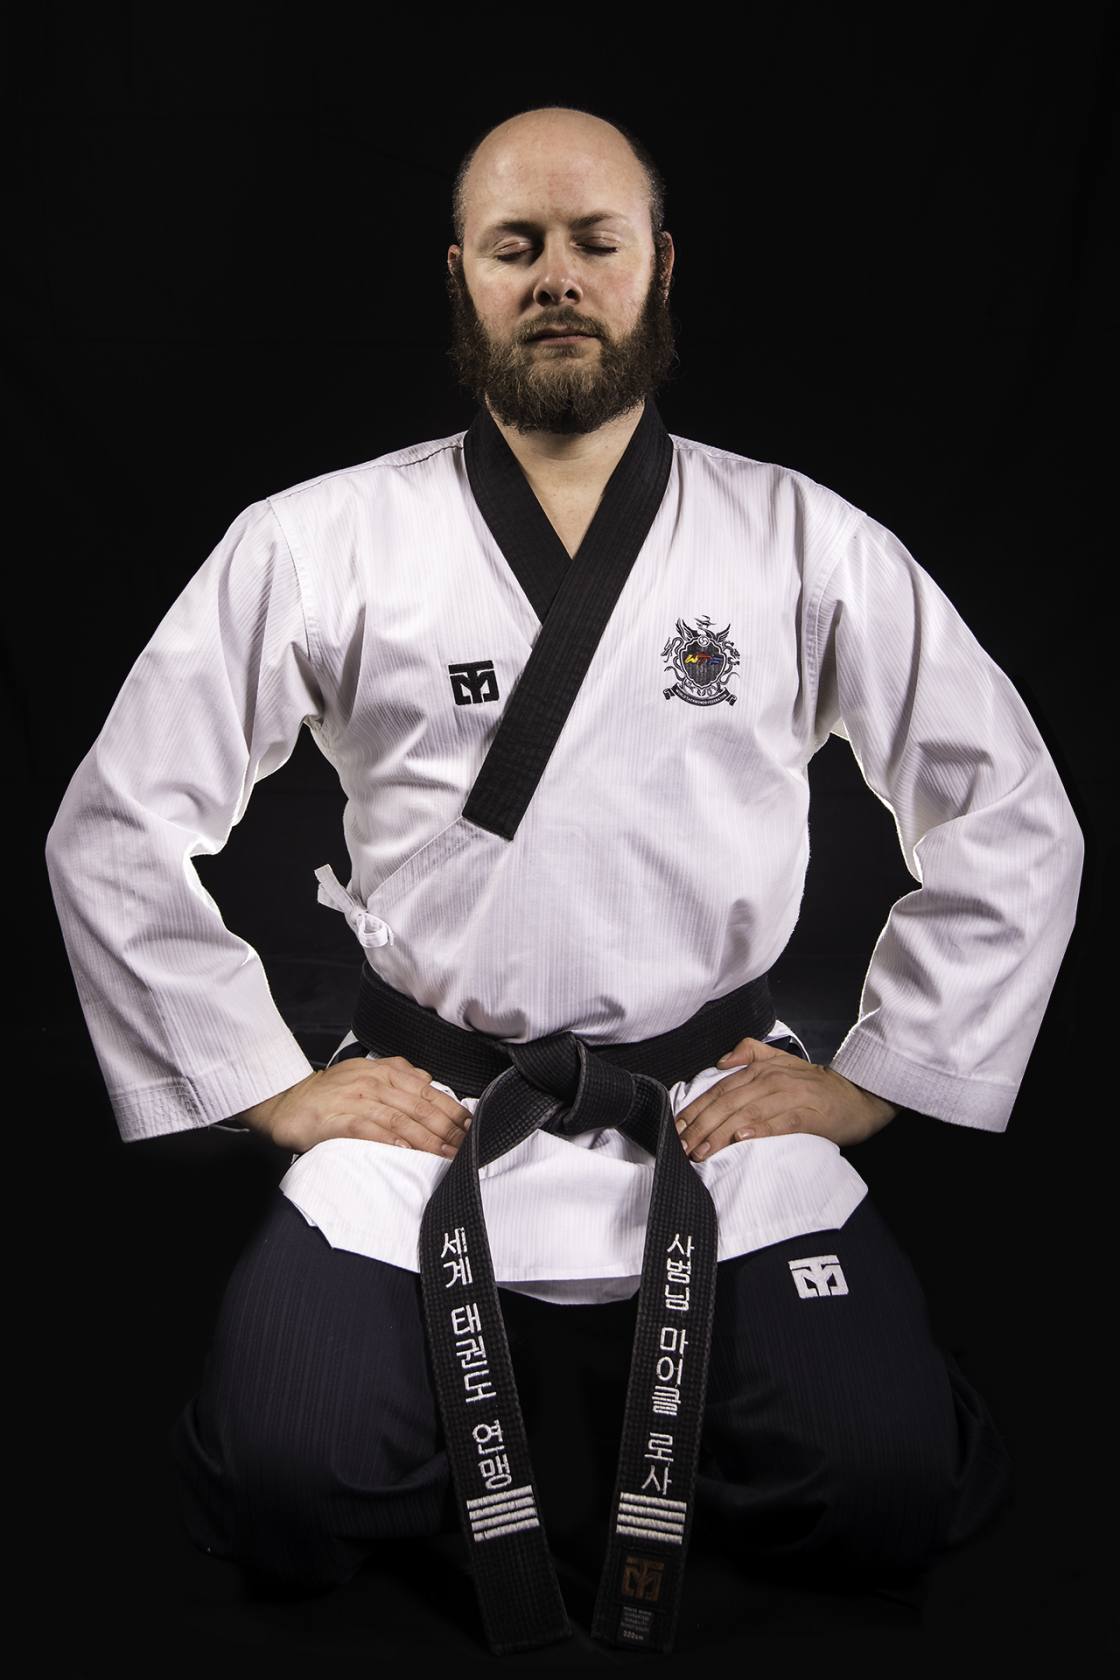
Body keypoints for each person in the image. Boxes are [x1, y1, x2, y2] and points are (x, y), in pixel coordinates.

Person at [44, 103, 1083, 1650]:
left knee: (883, 1487)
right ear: (459, 275)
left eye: (596, 242)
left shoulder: (799, 538)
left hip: (713, 1098)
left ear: (660, 265)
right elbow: (114, 825)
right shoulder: (321, 539)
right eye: (515, 246)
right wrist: (267, 1086)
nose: (558, 278)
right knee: (284, 1484)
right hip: (428, 1101)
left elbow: (1010, 809)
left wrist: (880, 1076)